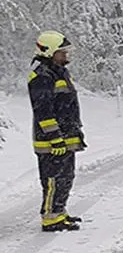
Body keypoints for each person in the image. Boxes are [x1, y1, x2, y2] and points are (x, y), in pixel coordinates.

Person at [28, 30, 86, 232]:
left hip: (65, 137)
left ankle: (59, 212)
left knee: (66, 177)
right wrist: (55, 138)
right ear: (49, 52)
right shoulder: (42, 75)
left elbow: (67, 106)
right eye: (62, 52)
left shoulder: (58, 71)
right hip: (51, 141)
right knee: (53, 179)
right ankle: (50, 218)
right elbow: (43, 110)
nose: (65, 56)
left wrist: (74, 132)